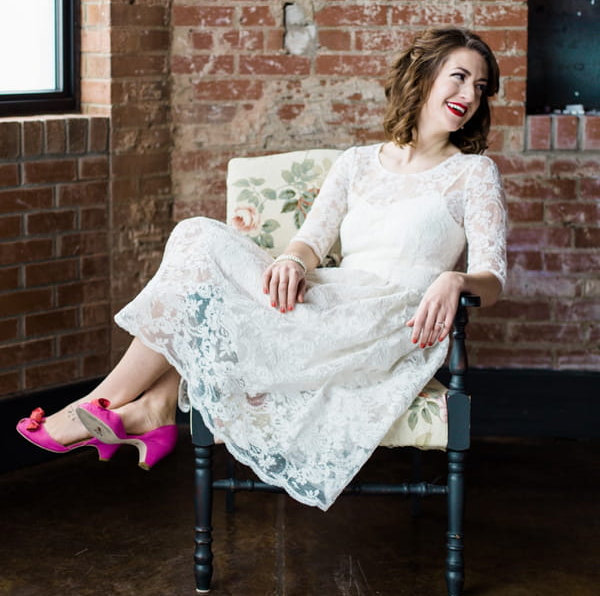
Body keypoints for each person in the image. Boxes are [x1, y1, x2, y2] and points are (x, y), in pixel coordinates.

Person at [17, 26, 507, 511]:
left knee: (206, 273)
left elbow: (494, 278)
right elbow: (312, 239)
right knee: (197, 239)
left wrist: (455, 278)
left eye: (480, 87)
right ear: (422, 76)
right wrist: (293, 259)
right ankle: (149, 407)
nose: (469, 94)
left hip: (389, 324)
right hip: (333, 297)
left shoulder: (473, 173)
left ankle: (113, 407)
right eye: (459, 77)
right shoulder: (358, 163)